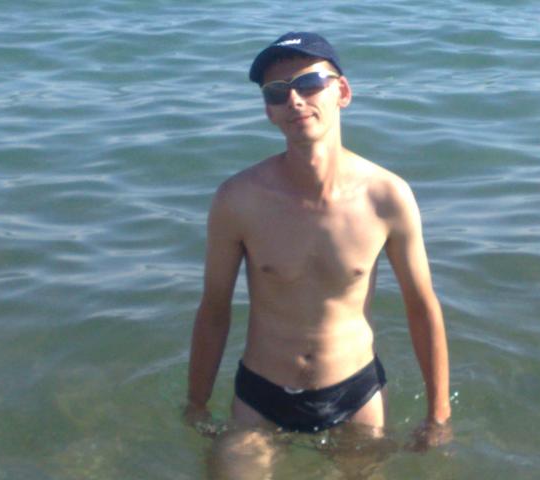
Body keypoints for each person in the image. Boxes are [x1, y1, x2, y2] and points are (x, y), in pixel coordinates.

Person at [186, 32, 451, 455]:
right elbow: (214, 309)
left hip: (356, 394)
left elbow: (421, 306)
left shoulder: (387, 197)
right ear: (269, 111)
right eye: (277, 92)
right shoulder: (238, 200)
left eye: (309, 83)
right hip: (260, 393)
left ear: (342, 92)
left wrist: (438, 414)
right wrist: (196, 404)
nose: (294, 100)